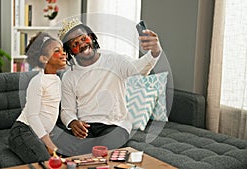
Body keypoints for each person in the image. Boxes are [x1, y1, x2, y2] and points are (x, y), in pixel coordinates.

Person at [54, 18, 162, 156]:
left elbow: (140, 69)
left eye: (83, 39)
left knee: (99, 151)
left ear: (91, 37)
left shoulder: (114, 60)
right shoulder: (69, 76)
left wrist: (154, 51)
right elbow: (67, 110)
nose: (81, 44)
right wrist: (72, 122)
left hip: (115, 125)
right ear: (71, 52)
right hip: (86, 126)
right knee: (62, 148)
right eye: (75, 44)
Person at [8, 32, 67, 164]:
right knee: (47, 162)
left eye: (63, 50)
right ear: (44, 59)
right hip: (22, 132)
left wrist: (45, 134)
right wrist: (49, 144)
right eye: (57, 51)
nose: (64, 53)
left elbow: (49, 110)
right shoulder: (38, 81)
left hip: (38, 133)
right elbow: (33, 116)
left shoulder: (57, 80)